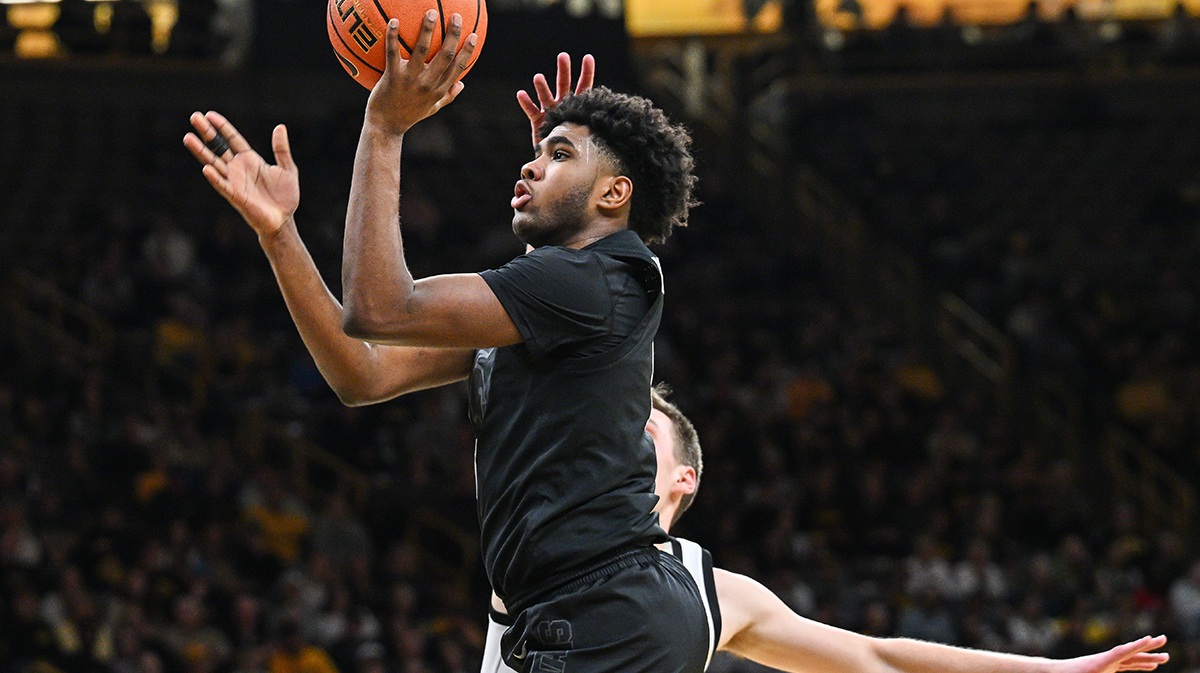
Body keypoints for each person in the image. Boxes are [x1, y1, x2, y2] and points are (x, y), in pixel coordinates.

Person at [183, 14, 705, 673]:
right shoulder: (545, 308)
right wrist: (280, 234)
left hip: (609, 605)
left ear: (615, 193)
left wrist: (384, 126)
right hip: (577, 608)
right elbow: (360, 375)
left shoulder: (602, 279)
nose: (532, 161)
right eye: (539, 151)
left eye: (560, 155)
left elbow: (379, 307)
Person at [481, 386, 1171, 673]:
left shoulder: (718, 593)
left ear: (684, 477)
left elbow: (879, 659)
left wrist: (1054, 668)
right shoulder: (552, 527)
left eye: (643, 430)